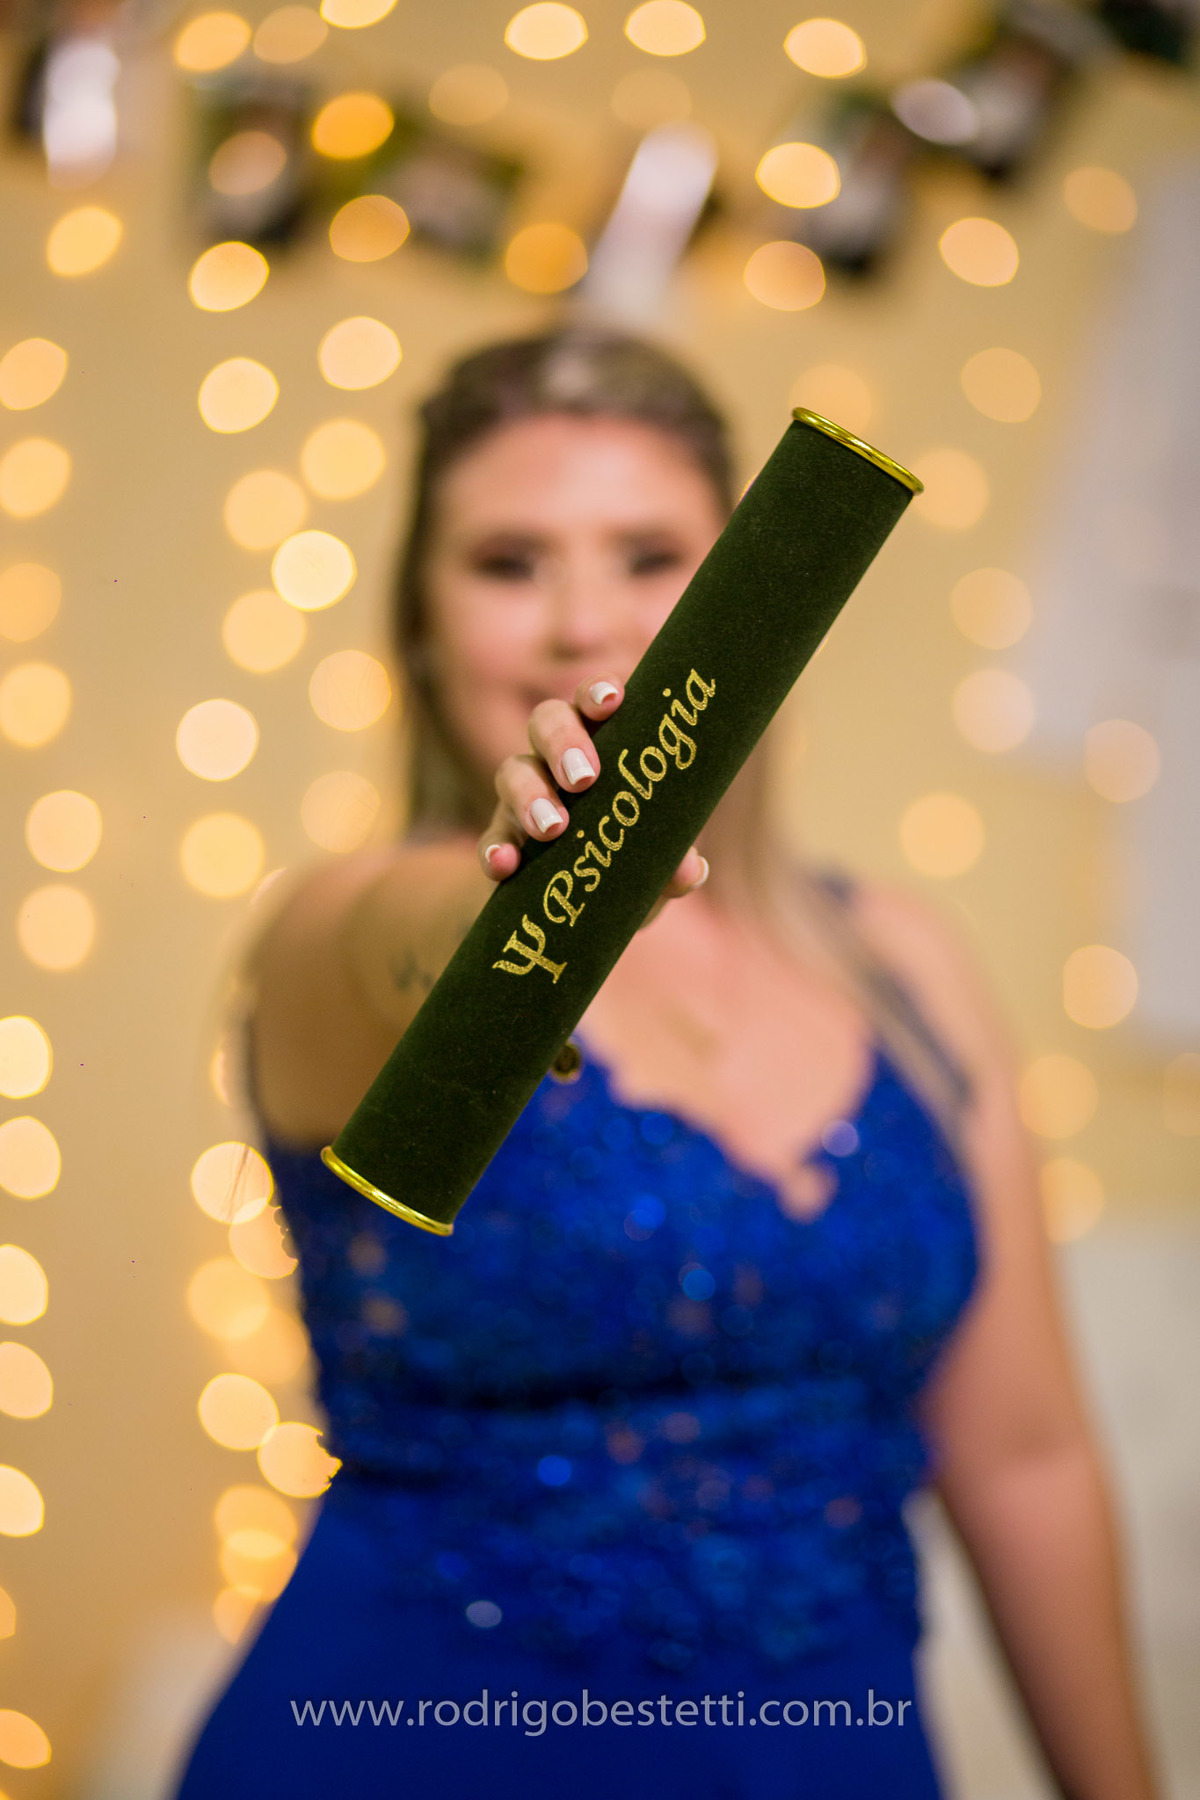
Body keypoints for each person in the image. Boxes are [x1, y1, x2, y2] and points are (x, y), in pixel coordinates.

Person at [172, 329, 1162, 1799]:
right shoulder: (336, 937)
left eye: (650, 559)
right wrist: (525, 889)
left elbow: (1022, 1460)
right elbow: (415, 953)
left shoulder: (908, 967)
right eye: (509, 563)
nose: (585, 623)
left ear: (760, 599)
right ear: (424, 629)